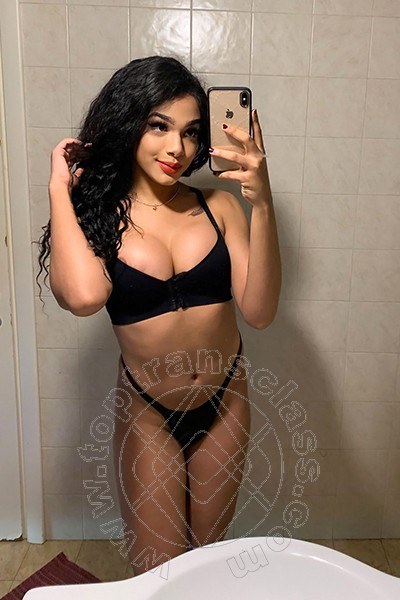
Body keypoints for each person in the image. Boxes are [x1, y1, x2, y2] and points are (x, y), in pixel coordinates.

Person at [36, 56, 281, 576]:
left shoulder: (219, 206)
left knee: (208, 566)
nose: (177, 148)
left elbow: (259, 312)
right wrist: (60, 188)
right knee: (159, 574)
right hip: (148, 414)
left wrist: (262, 203)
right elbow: (83, 296)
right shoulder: (99, 216)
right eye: (159, 126)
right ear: (129, 125)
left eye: (190, 132)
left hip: (224, 404)